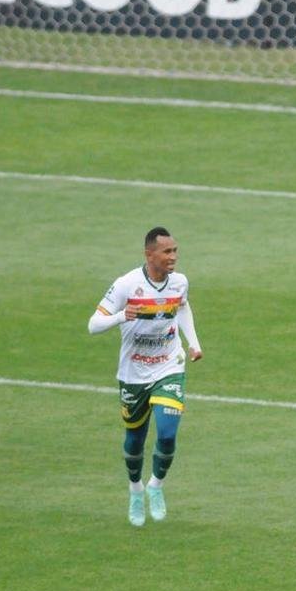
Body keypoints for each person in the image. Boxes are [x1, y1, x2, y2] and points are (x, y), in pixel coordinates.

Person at [88, 226, 202, 527]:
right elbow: (93, 324)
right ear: (149, 254)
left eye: (175, 250)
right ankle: (136, 489)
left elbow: (182, 307)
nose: (173, 257)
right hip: (134, 373)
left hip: (169, 366)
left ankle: (156, 486)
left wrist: (194, 343)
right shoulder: (127, 285)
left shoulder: (179, 283)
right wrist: (119, 317)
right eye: (167, 252)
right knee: (135, 440)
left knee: (166, 432)